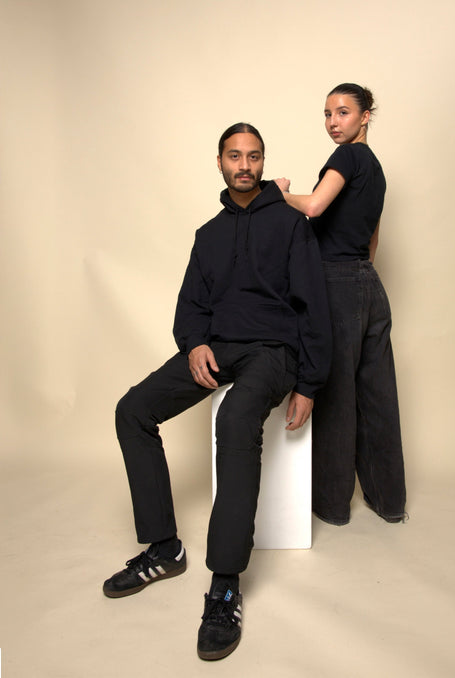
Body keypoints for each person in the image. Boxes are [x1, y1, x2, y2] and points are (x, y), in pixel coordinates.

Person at [103, 123, 331, 661]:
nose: (244, 165)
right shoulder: (208, 234)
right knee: (132, 410)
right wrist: (195, 344)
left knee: (234, 419)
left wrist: (309, 382)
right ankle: (164, 547)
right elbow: (190, 306)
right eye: (234, 156)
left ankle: (225, 584)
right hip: (218, 348)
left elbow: (314, 307)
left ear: (263, 161)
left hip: (273, 351)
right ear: (221, 162)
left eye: (253, 156)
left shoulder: (291, 224)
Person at [275, 83, 406, 526]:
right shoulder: (377, 170)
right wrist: (360, 278)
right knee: (377, 397)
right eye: (328, 114)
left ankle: (332, 506)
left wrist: (275, 194)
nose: (333, 122)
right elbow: (372, 241)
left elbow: (313, 206)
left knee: (334, 394)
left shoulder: (347, 157)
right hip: (370, 284)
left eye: (343, 112)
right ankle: (389, 502)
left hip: (337, 282)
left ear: (365, 116)